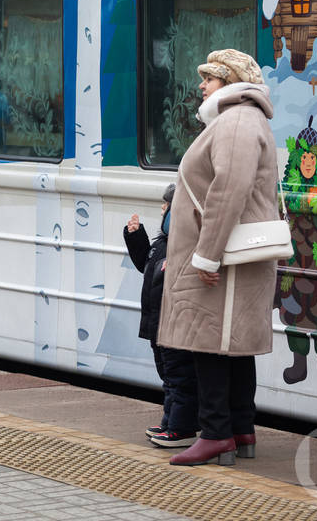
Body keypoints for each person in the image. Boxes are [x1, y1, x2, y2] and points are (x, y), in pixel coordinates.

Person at [157, 49, 278, 466]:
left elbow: (228, 190)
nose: (201, 86)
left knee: (207, 341)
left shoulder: (237, 120)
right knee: (233, 345)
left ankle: (214, 433)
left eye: (209, 78)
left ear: (229, 82)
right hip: (233, 258)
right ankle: (241, 428)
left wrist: (206, 256)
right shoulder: (243, 119)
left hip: (223, 260)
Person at [123, 184, 199, 448]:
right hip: (158, 324)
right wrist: (136, 237)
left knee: (180, 377)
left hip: (174, 324)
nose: (162, 209)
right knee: (168, 376)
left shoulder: (184, 246)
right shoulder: (162, 244)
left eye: (166, 205)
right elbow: (146, 266)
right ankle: (170, 422)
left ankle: (182, 428)